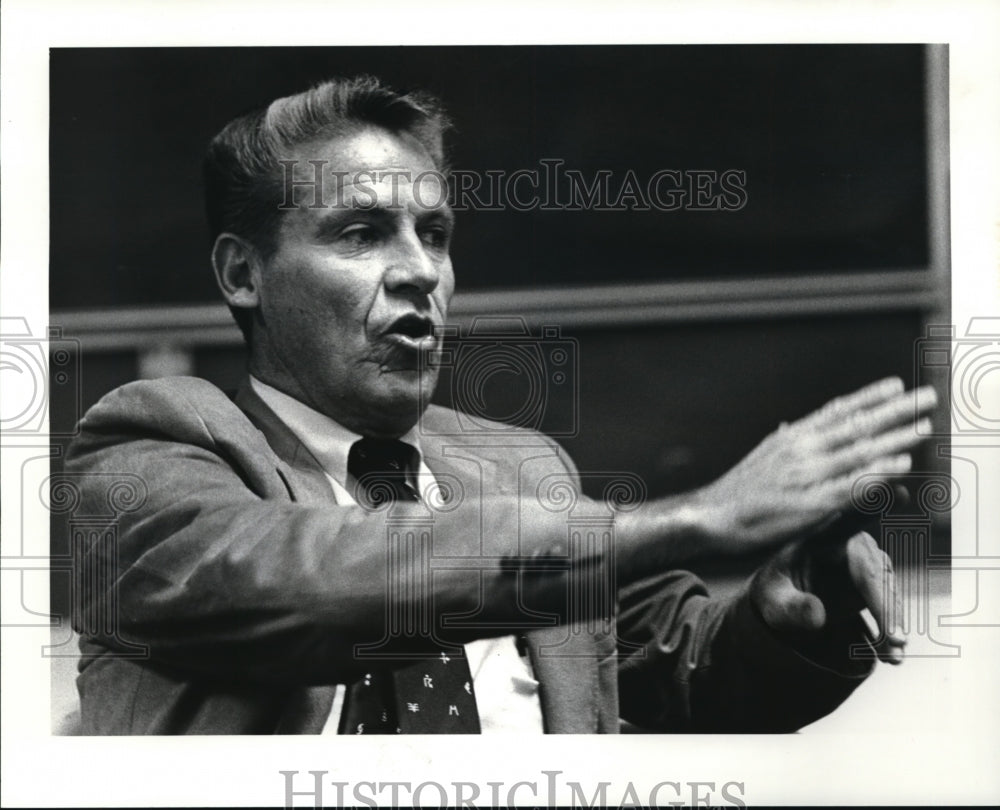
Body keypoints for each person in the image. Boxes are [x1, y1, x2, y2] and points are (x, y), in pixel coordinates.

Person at [65, 75, 937, 735]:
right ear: (241, 273)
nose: (419, 273)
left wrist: (789, 610)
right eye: (360, 234)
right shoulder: (149, 449)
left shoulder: (520, 466)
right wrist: (697, 521)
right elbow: (331, 582)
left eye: (434, 236)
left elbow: (687, 671)